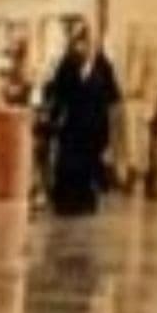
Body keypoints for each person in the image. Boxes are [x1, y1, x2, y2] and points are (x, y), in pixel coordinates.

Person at [39, 18, 122, 216]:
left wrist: (112, 134)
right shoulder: (68, 64)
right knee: (69, 164)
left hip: (94, 127)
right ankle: (67, 201)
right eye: (79, 42)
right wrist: (52, 117)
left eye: (87, 42)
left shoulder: (103, 66)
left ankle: (85, 200)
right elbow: (58, 94)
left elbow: (113, 98)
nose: (83, 46)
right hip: (73, 125)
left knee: (87, 165)